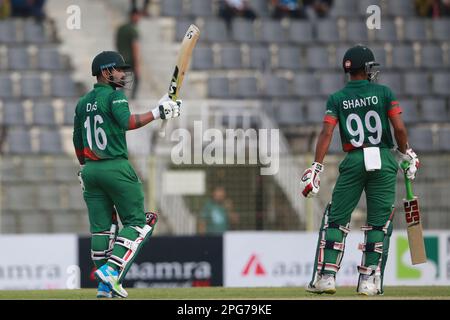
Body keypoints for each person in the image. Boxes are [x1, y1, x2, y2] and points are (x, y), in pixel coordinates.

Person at [300, 45, 420, 296]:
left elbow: (327, 132)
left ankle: (326, 277)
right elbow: (398, 128)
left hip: (354, 160)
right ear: (366, 69)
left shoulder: (337, 98)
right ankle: (368, 281)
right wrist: (405, 152)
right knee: (378, 224)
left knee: (336, 219)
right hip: (384, 160)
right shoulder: (384, 92)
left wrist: (316, 166)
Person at [73, 51, 182, 298]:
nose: (123, 74)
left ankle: (104, 288)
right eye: (119, 69)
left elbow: (78, 142)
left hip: (90, 171)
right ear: (105, 72)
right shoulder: (115, 97)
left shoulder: (82, 103)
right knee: (139, 223)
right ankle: (111, 273)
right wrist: (158, 113)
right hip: (116, 168)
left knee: (101, 231)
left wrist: (85, 168)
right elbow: (127, 122)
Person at [116, 9, 141, 99]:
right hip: (131, 60)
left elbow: (116, 43)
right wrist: (137, 64)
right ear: (133, 16)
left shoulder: (121, 29)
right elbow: (135, 47)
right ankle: (133, 98)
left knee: (122, 80)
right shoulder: (133, 30)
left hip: (121, 59)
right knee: (137, 78)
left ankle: (121, 97)